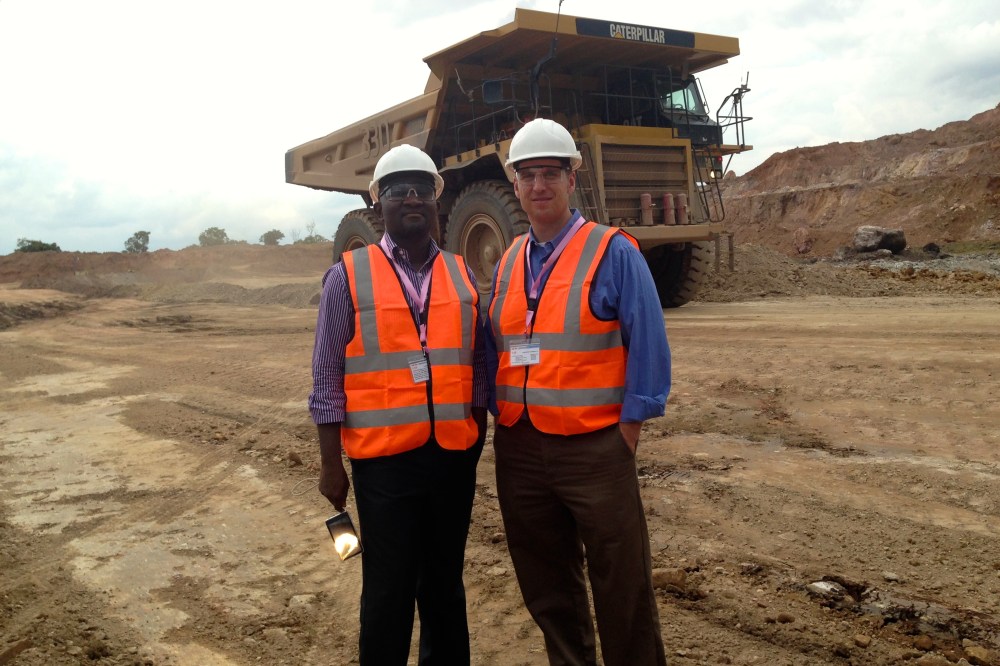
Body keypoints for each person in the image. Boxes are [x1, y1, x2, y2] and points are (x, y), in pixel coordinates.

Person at [485, 118, 671, 666]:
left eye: (550, 173)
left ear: (572, 179)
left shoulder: (613, 251)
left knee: (622, 582)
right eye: (528, 175)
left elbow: (650, 347)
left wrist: (626, 435)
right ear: (515, 185)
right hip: (521, 448)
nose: (539, 185)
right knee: (547, 585)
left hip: (595, 448)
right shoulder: (509, 260)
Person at [309, 144, 488, 665]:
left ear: (436, 201)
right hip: (383, 463)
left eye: (420, 189)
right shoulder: (348, 275)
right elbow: (326, 375)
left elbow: (477, 366)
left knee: (444, 588)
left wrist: (474, 438)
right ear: (378, 203)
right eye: (396, 190)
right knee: (387, 591)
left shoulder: (460, 273)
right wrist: (329, 462)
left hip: (452, 458)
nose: (410, 198)